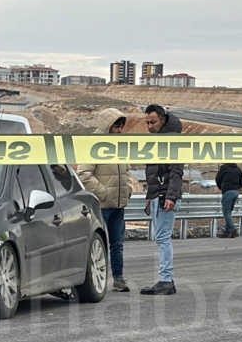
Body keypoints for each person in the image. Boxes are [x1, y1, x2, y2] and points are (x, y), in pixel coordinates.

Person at [76, 110, 133, 291]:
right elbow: (84, 174)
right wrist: (104, 193)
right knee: (96, 245)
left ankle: (118, 279)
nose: (119, 130)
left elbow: (127, 172)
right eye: (116, 126)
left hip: (118, 205)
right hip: (101, 206)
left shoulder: (119, 147)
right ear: (107, 125)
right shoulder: (94, 146)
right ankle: (92, 282)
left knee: (117, 244)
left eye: (121, 126)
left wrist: (129, 189)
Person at [140, 104, 184, 296]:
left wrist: (171, 196)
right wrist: (150, 196)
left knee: (163, 238)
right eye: (147, 122)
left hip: (165, 196)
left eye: (153, 122)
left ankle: (165, 279)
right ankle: (166, 279)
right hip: (158, 196)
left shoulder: (172, 140)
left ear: (163, 119)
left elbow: (176, 171)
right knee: (161, 238)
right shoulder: (158, 140)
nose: (149, 126)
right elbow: (153, 171)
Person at [215, 162, 242, 237]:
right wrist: (237, 187)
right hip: (235, 192)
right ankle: (228, 232)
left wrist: (221, 187)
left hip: (227, 191)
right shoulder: (238, 169)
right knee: (229, 212)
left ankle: (233, 229)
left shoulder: (224, 168)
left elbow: (218, 179)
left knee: (226, 212)